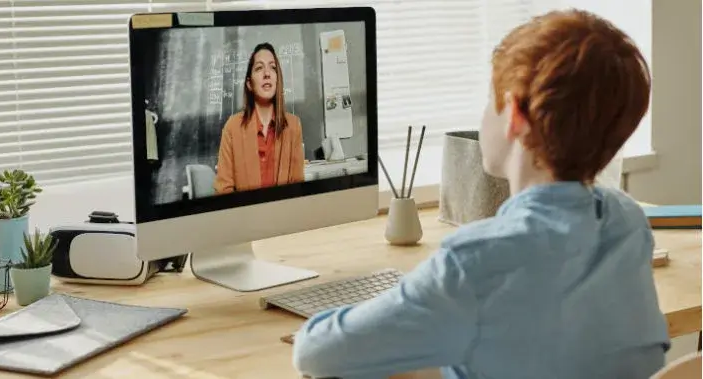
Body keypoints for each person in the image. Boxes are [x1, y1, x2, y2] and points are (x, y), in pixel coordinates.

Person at [292, 9, 669, 379]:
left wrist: (395, 305)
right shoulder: (627, 222)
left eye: (491, 99)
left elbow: (316, 353)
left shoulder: (476, 262)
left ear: (516, 117)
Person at [214, 42, 305, 194]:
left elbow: (298, 188)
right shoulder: (232, 127)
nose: (267, 73)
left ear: (278, 80)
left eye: (273, 67)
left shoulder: (293, 126)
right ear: (249, 83)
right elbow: (224, 191)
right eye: (259, 68)